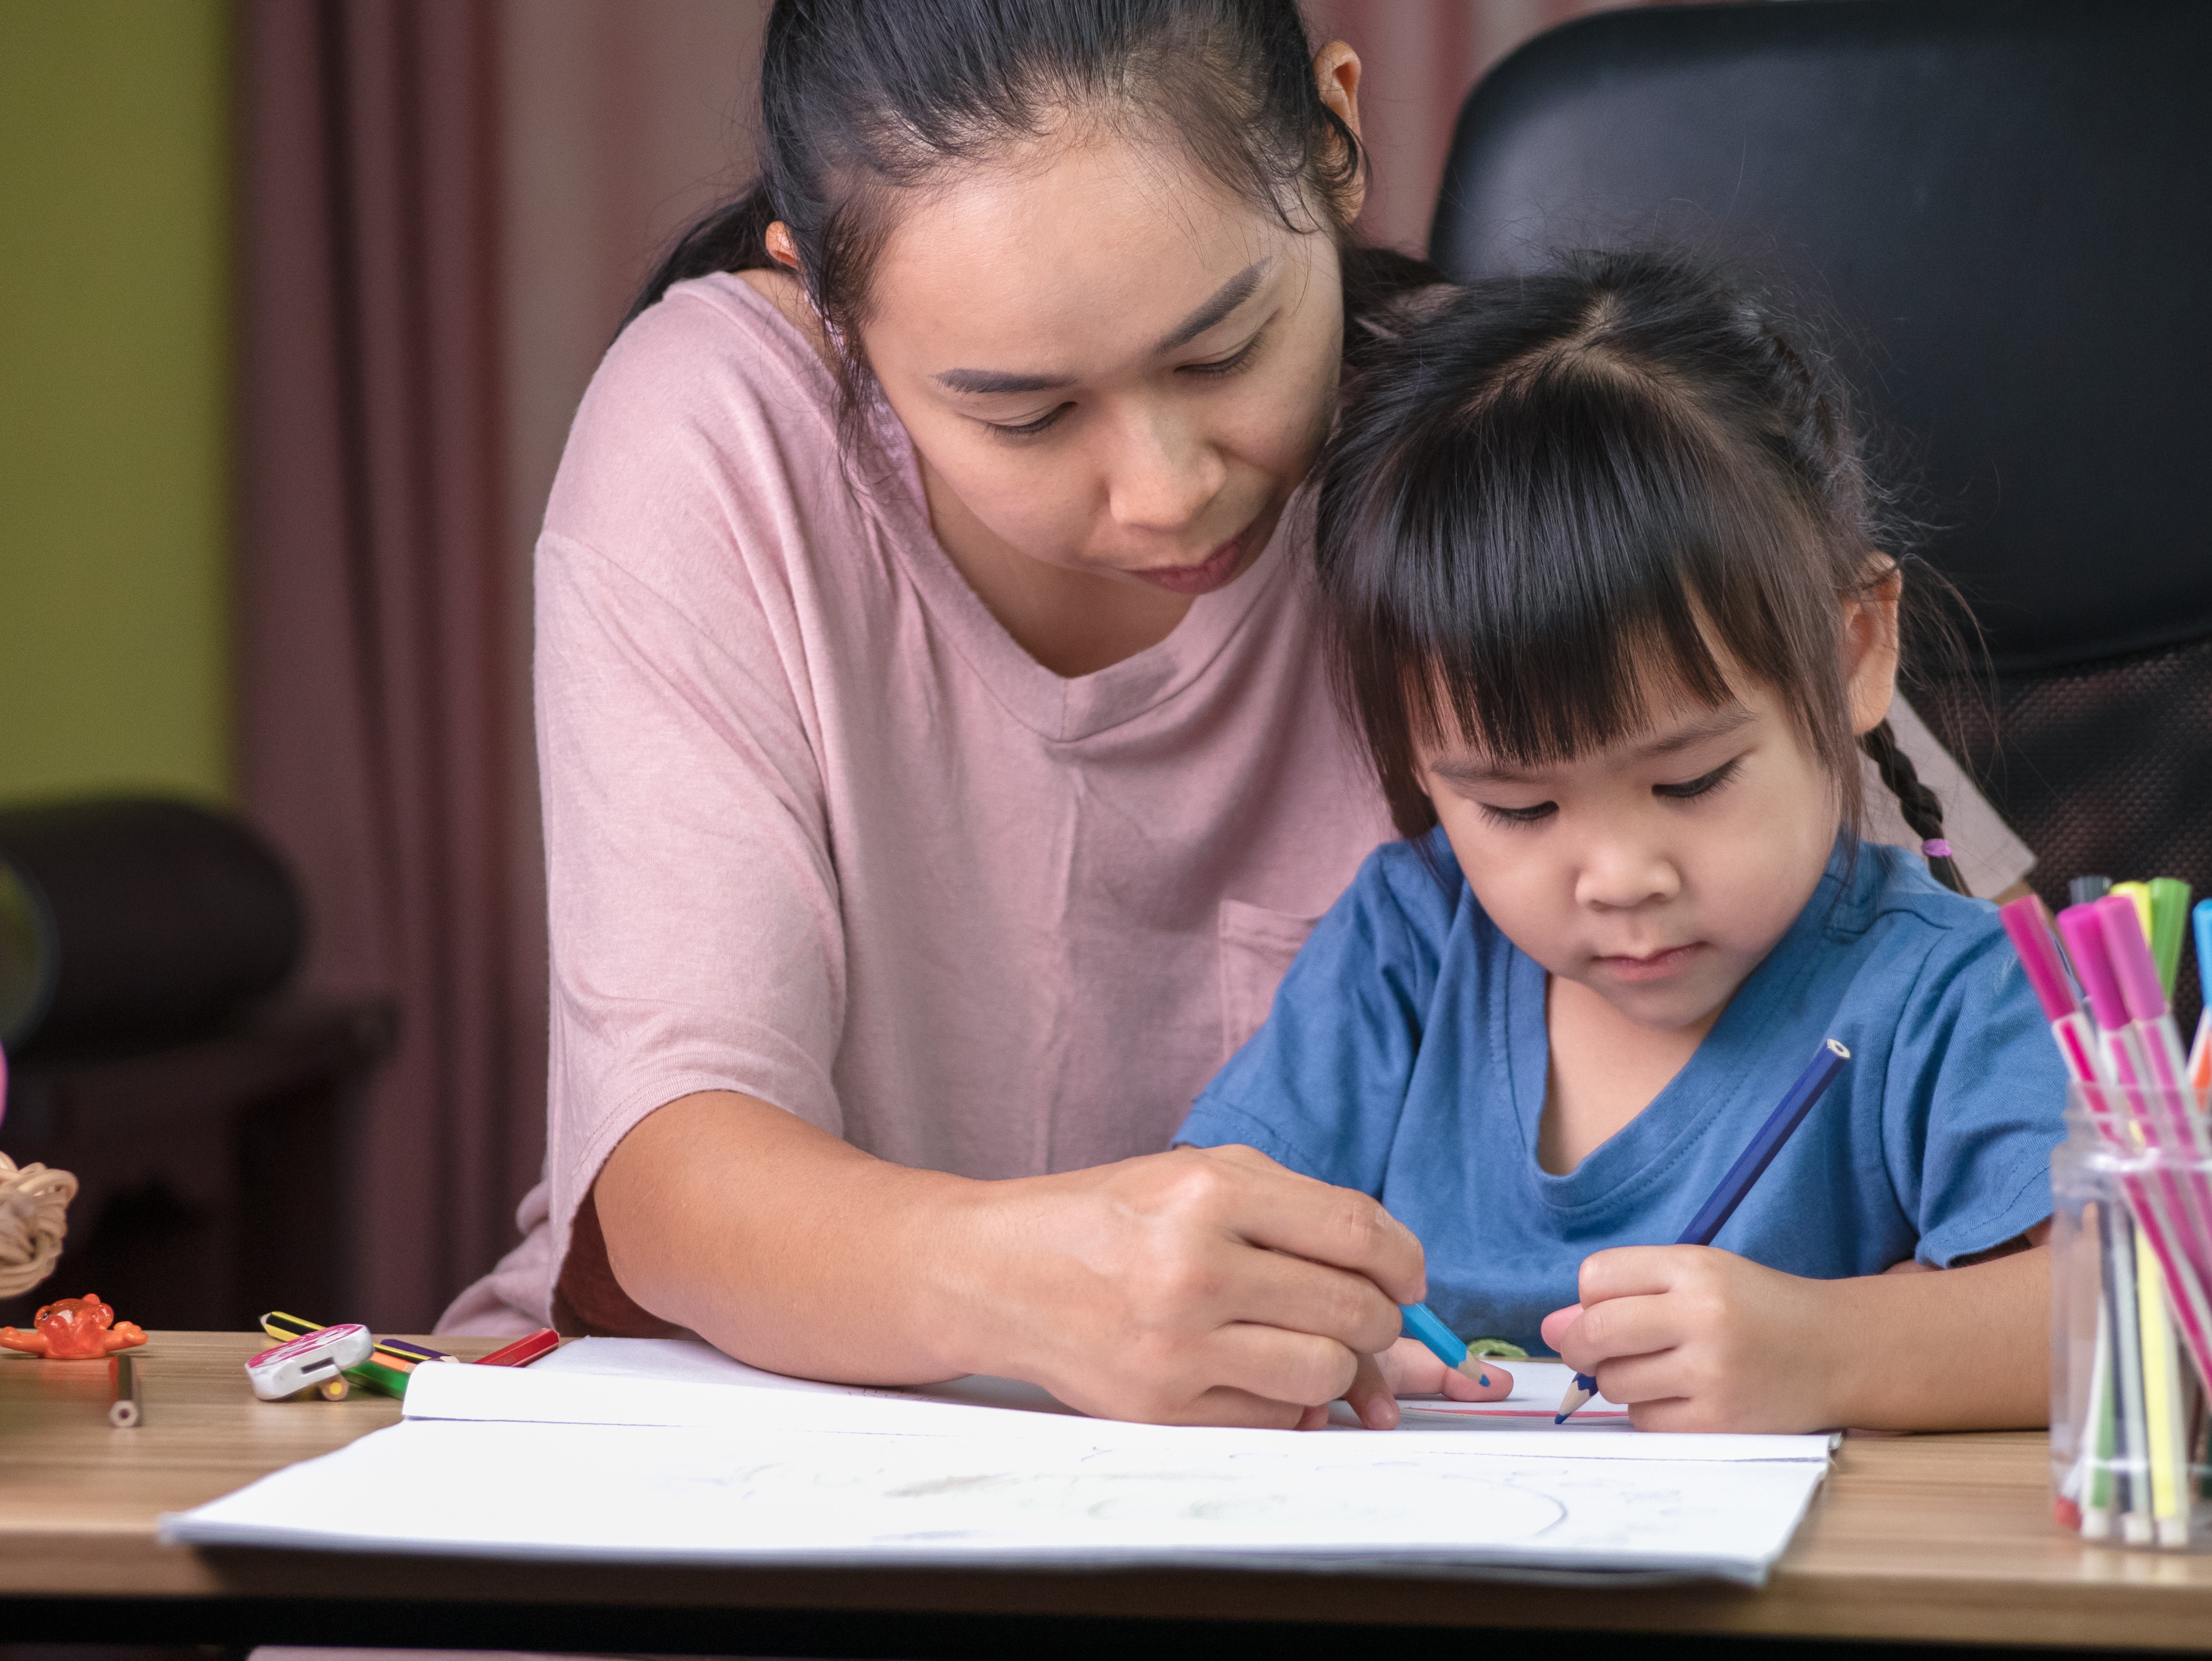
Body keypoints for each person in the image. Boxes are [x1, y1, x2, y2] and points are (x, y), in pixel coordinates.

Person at [443, 0, 2035, 1431]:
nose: (1168, 489)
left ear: (1333, 140)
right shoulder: (723, 431)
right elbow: (671, 1169)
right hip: (761, 1423)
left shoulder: (1477, 475)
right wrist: (1036, 1287)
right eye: (1023, 410)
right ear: (825, 290)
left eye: (1223, 351)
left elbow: (2004, 991)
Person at [1174, 252, 2067, 1432]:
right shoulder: (1408, 941)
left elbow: (2149, 1311)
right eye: (1518, 810)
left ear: (1852, 649)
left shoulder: (1944, 993)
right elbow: (1212, 1231)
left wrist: (1829, 1352)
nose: (1619, 879)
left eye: (1690, 780)